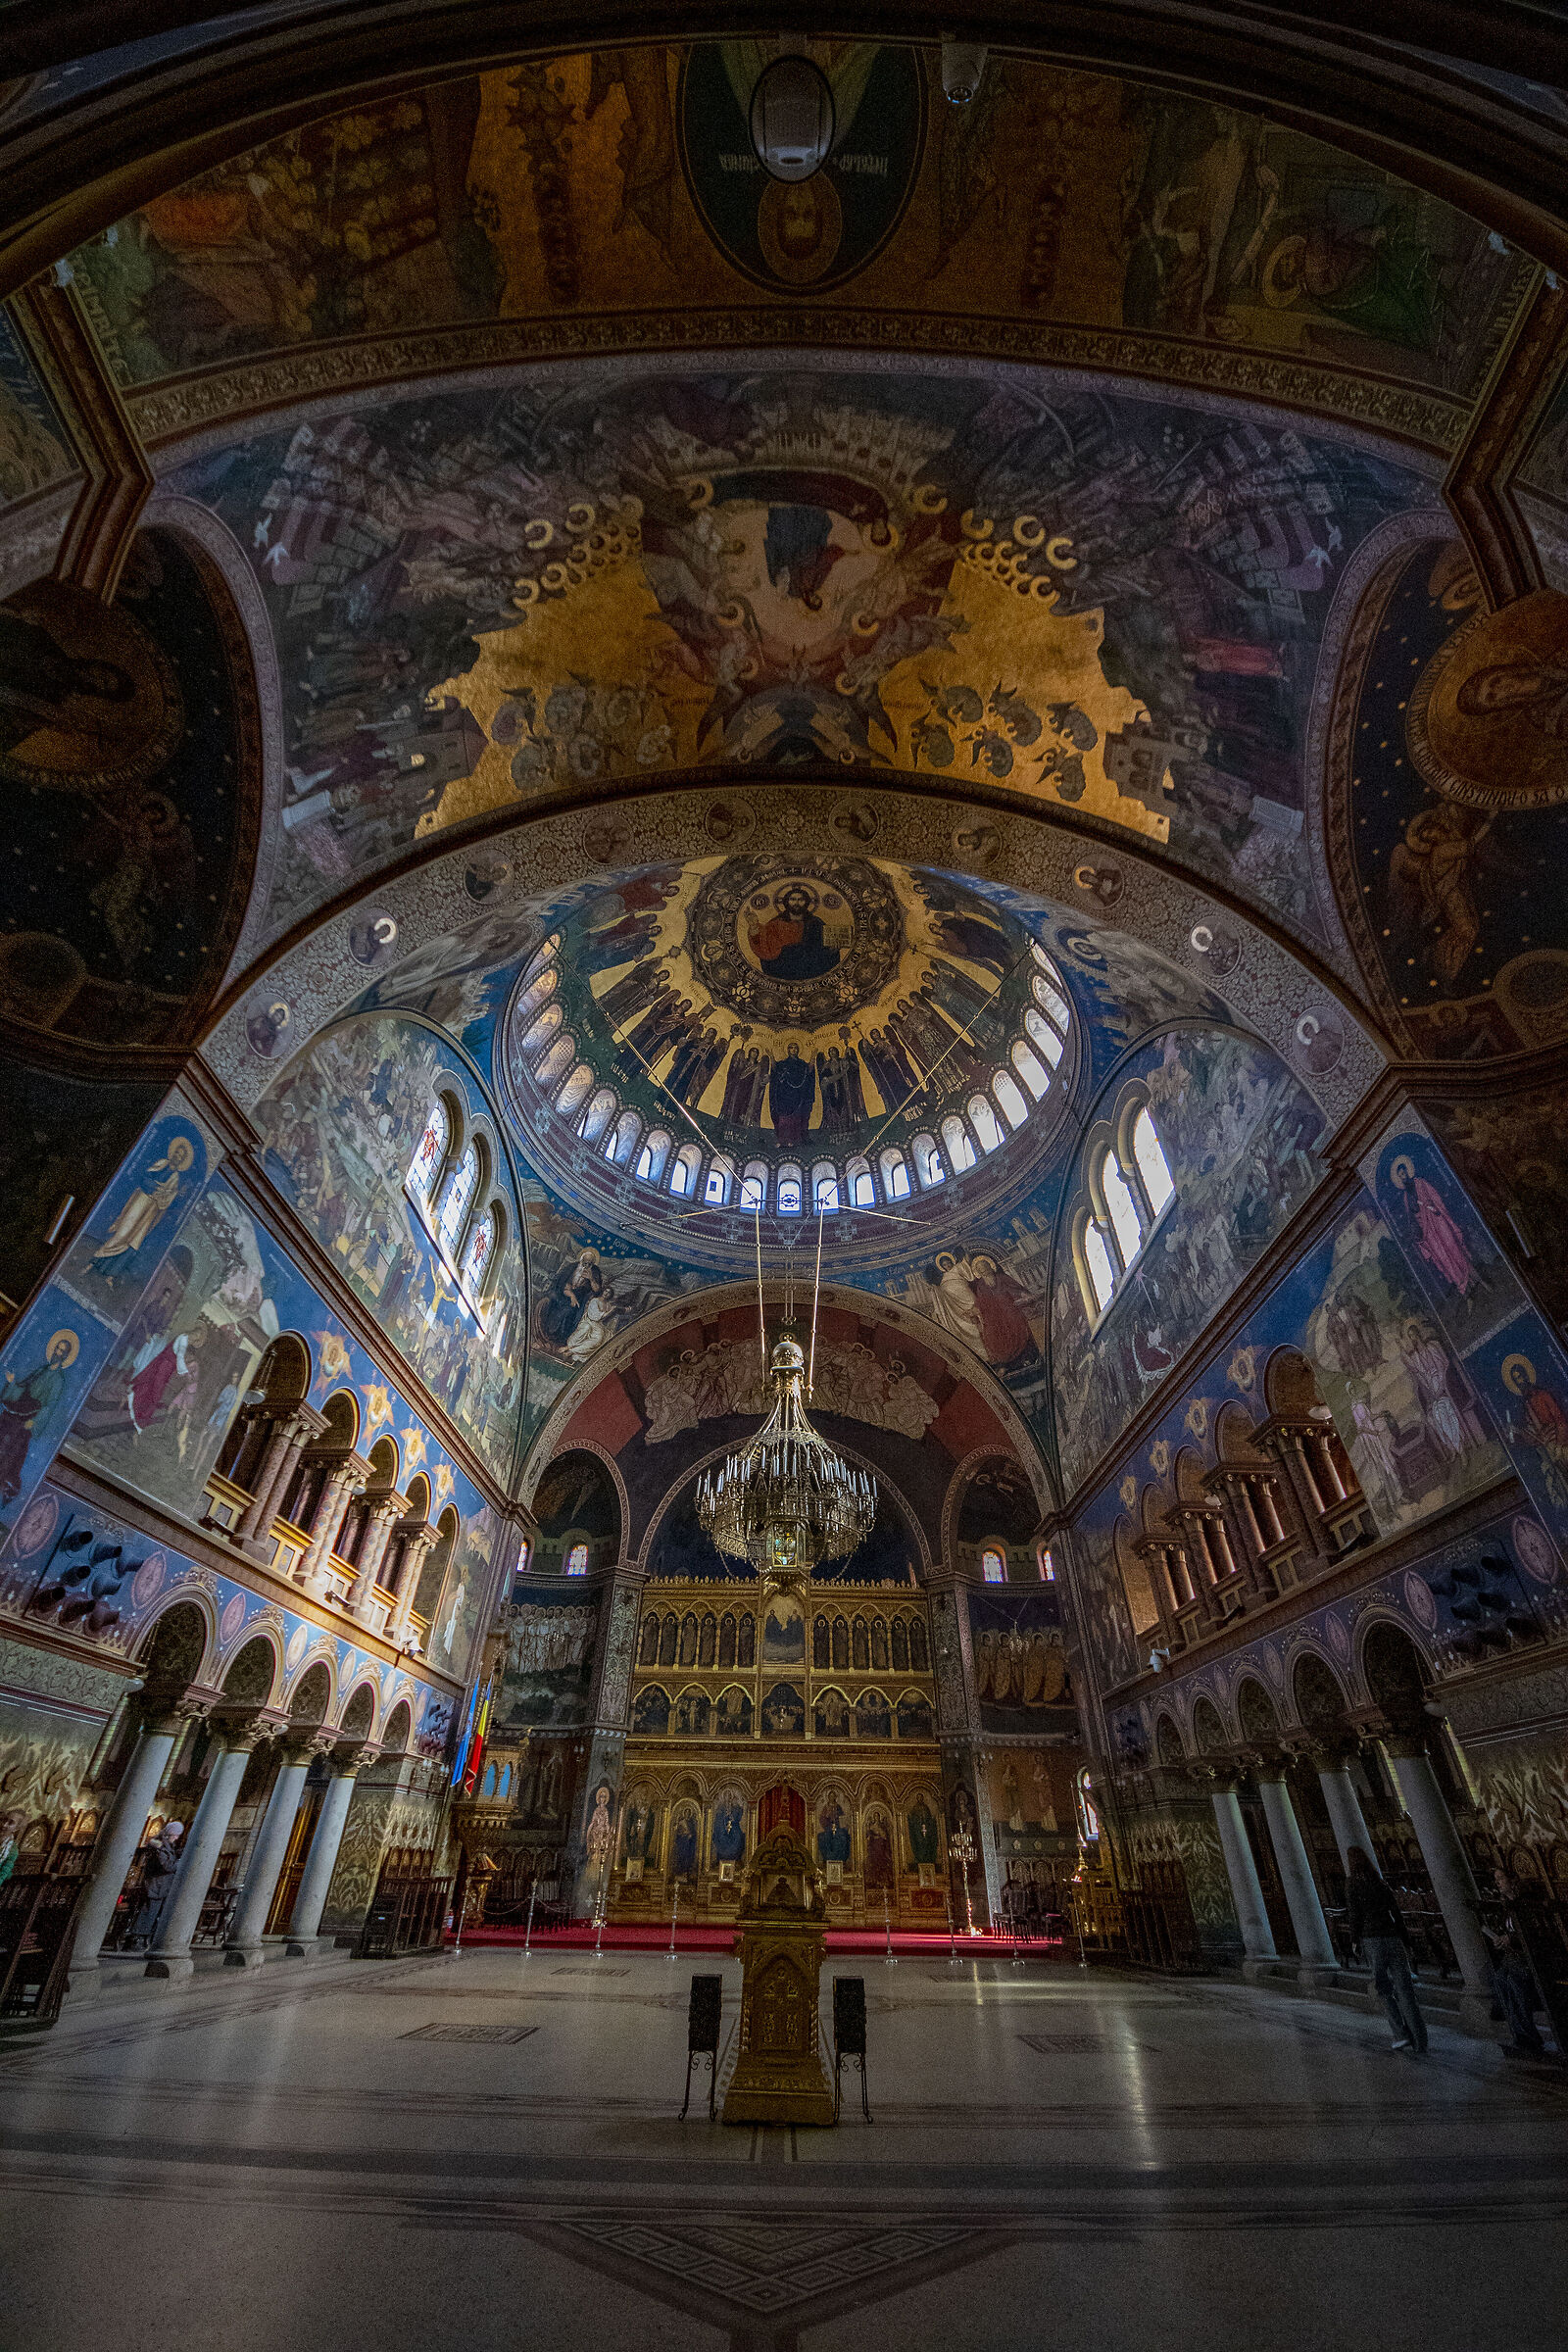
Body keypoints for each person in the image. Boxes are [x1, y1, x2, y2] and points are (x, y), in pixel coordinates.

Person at [1345, 1845, 1428, 2054]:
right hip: (1393, 1937)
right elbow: (1396, 1913)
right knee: (1405, 1989)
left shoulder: (1353, 1883)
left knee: (1383, 1989)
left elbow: (1354, 1915)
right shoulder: (1380, 1883)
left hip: (1372, 1940)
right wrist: (1406, 1941)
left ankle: (1400, 2034)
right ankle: (1420, 2039)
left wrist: (1354, 1941)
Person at [1482, 1870, 1546, 2058]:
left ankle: (1528, 2036)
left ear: (1513, 1880)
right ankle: (1519, 2033)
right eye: (1496, 1880)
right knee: (1500, 1978)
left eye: (1501, 1878)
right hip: (1516, 1958)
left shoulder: (1526, 1904)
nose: (1498, 1883)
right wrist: (1501, 1940)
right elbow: (1508, 1931)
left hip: (1532, 1959)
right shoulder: (1507, 1907)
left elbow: (1537, 1933)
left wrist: (1512, 1939)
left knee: (1513, 1981)